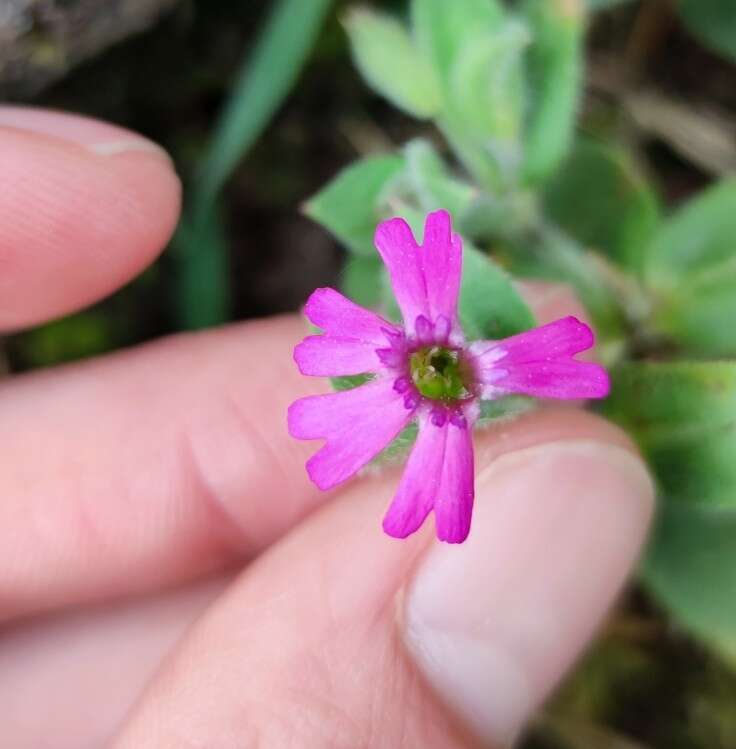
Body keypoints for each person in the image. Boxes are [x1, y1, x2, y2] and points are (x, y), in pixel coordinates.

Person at [0, 107, 654, 748]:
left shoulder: (454, 360)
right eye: (434, 369)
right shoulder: (419, 381)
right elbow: (329, 351)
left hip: (508, 369)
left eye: (440, 368)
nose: (438, 370)